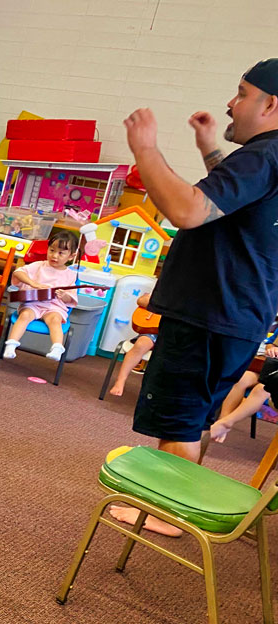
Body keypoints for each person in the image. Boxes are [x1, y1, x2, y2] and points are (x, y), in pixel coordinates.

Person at [119, 59, 278, 533]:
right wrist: (210, 148)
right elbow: (234, 208)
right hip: (236, 314)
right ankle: (175, 503)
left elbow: (190, 210)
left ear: (271, 104)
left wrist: (145, 149)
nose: (232, 103)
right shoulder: (267, 158)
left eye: (242, 93)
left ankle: (167, 515)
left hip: (211, 311)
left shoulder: (264, 154)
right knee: (193, 414)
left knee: (181, 419)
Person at [1, 231, 80, 361]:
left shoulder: (70, 275)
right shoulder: (39, 265)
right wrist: (33, 283)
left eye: (61, 253)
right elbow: (18, 272)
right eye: (52, 250)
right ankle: (11, 345)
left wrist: (64, 295)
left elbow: (70, 299)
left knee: (55, 320)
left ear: (71, 256)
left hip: (54, 307)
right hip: (33, 304)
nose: (54, 255)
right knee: (25, 315)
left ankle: (57, 348)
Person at [209, 344, 278, 444]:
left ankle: (226, 422)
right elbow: (271, 345)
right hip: (270, 372)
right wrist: (272, 350)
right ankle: (223, 420)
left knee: (262, 388)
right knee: (242, 379)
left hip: (271, 383)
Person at [107, 292, 155, 397]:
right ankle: (120, 381)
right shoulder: (166, 289)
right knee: (141, 344)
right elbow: (141, 300)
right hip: (153, 332)